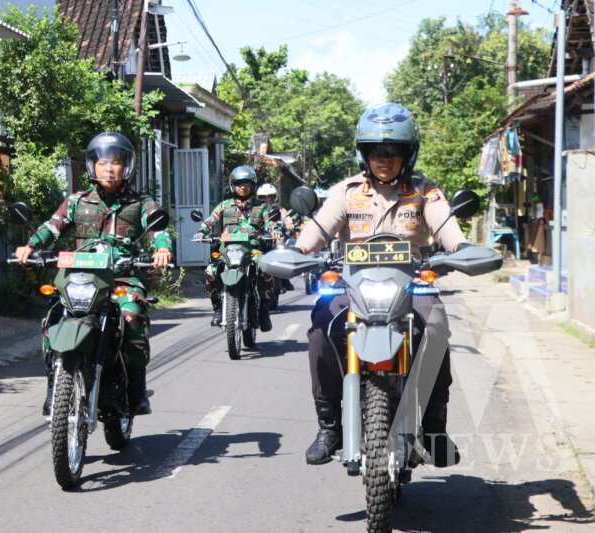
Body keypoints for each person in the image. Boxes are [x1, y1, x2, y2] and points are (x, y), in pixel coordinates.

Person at [294, 103, 468, 468]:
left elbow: (446, 226)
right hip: (354, 286)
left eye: (393, 151)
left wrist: (462, 249)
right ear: (364, 153)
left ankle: (435, 428)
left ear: (408, 153)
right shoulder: (346, 192)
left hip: (411, 284)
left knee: (435, 328)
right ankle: (329, 427)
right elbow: (319, 228)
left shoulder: (425, 191)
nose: (384, 158)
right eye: (376, 151)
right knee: (319, 329)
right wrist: (298, 250)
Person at [15, 132, 173, 417]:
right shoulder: (77, 201)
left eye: (115, 162)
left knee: (132, 316)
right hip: (81, 278)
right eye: (102, 163)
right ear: (92, 167)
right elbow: (52, 227)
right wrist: (30, 246)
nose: (109, 168)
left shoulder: (141, 202)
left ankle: (137, 389)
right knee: (53, 318)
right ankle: (55, 384)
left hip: (122, 278)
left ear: (127, 166)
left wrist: (162, 249)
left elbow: (158, 230)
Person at [195, 165, 276, 330]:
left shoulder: (261, 207)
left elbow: (270, 222)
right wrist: (201, 232)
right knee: (210, 271)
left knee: (267, 269)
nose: (243, 187)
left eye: (246, 183)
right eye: (239, 184)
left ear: (252, 185)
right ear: (233, 185)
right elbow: (211, 220)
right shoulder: (224, 205)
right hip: (228, 250)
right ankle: (217, 308)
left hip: (253, 249)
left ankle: (264, 310)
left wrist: (275, 231)